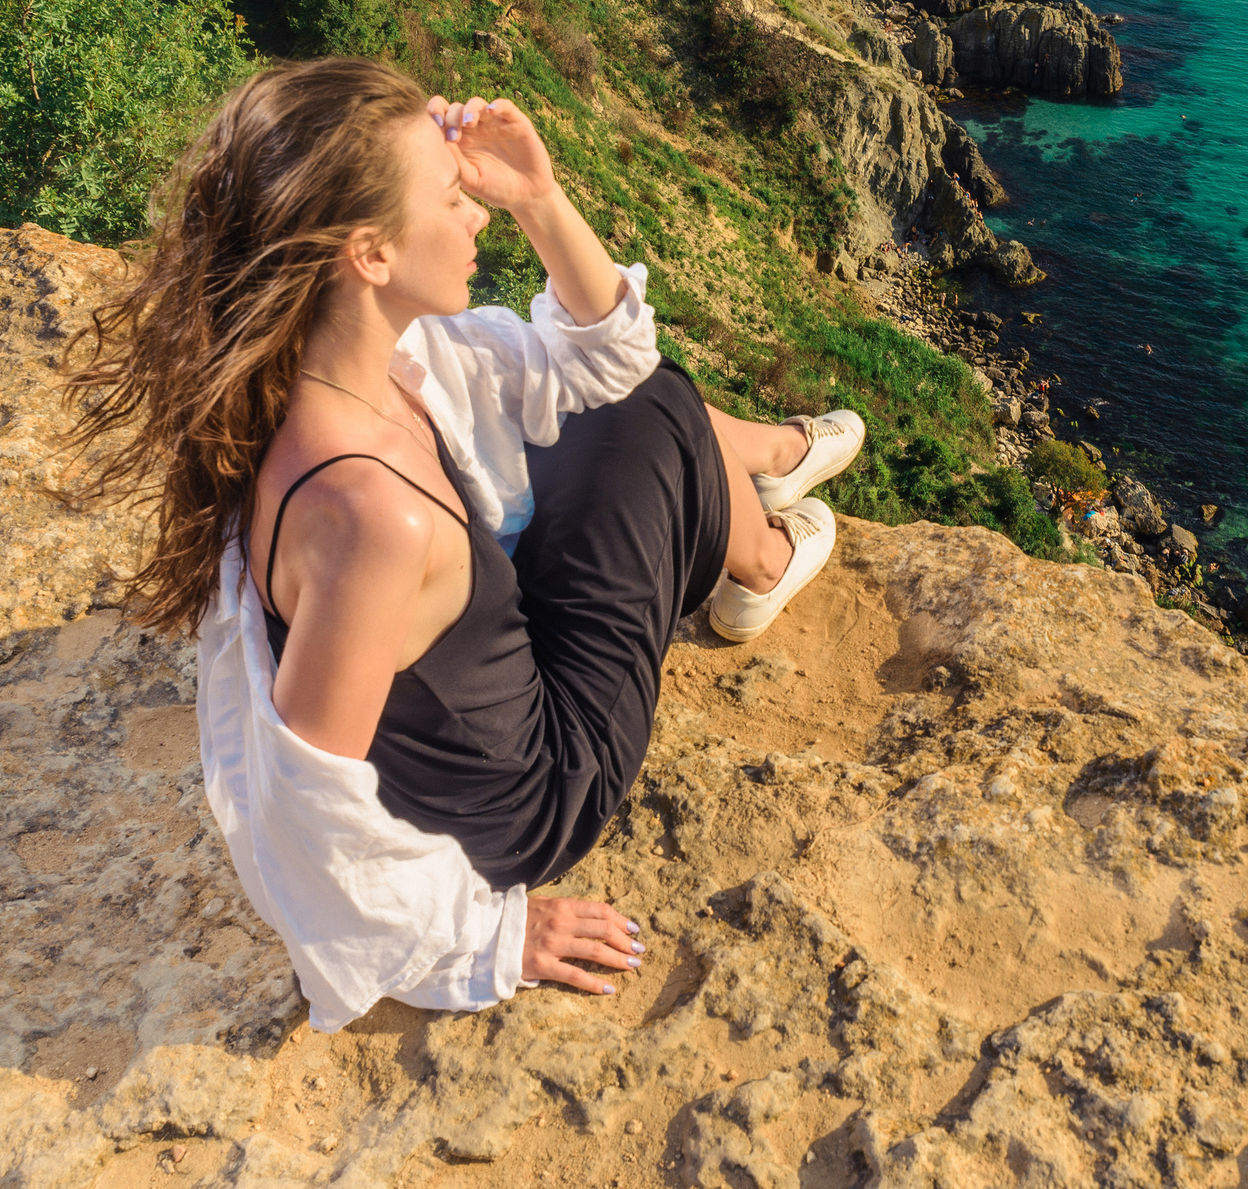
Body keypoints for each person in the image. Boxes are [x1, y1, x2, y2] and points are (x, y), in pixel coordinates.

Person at [63, 60, 864, 1030]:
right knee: (655, 413)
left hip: (476, 687)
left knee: (636, 400)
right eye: (455, 195)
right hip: (534, 782)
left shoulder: (357, 372)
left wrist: (540, 196)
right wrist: (489, 937)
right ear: (369, 252)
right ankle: (763, 557)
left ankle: (764, 486)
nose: (476, 212)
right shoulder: (370, 520)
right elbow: (301, 815)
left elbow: (605, 354)